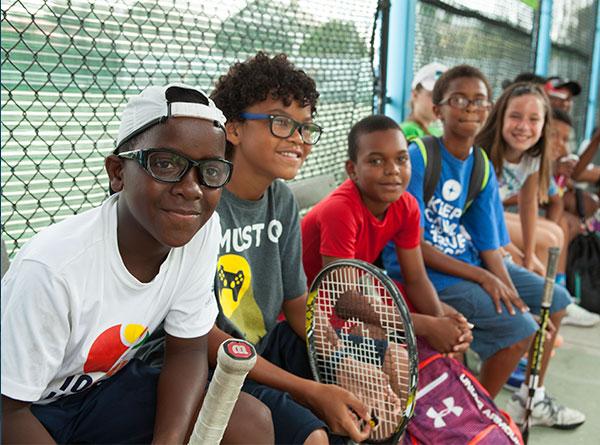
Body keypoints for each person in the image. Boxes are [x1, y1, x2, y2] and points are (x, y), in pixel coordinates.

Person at [1, 84, 273, 444]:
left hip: (105, 389)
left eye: (209, 171)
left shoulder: (201, 231)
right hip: (31, 409)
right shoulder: (53, 269)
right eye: (165, 164)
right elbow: (8, 411)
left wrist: (169, 440)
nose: (191, 188)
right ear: (117, 172)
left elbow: (188, 346)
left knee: (250, 422)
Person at [380, 65, 584, 429]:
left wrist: (504, 283)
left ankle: (529, 397)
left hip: (465, 261)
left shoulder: (481, 165)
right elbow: (412, 246)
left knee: (557, 299)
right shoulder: (420, 156)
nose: (470, 108)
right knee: (521, 329)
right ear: (439, 109)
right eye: (458, 99)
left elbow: (490, 246)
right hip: (427, 272)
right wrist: (483, 278)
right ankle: (473, 414)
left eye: (478, 101)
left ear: (488, 109)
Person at [209, 52, 375, 445]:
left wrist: (342, 360)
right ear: (233, 130)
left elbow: (297, 304)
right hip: (212, 364)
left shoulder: (281, 200)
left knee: (368, 384)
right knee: (313, 436)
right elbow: (198, 337)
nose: (298, 140)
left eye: (304, 128)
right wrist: (308, 389)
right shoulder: (203, 204)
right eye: (281, 123)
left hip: (263, 348)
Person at [301, 114, 472, 356]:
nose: (392, 170)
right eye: (376, 161)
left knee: (452, 317)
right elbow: (343, 300)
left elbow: (416, 280)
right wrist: (428, 326)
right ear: (352, 170)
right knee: (383, 338)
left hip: (352, 292)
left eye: (401, 159)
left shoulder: (407, 206)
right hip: (310, 304)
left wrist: (441, 322)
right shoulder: (340, 210)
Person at [475, 82, 560, 277]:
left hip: (492, 221)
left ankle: (550, 297)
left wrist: (529, 255)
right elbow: (477, 214)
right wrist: (504, 248)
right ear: (500, 117)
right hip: (473, 228)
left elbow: (528, 204)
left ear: (543, 124)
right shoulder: (481, 154)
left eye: (534, 119)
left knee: (536, 262)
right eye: (515, 116)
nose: (523, 127)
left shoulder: (532, 158)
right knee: (539, 248)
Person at [401, 62, 448, 141]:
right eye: (433, 95)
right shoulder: (407, 131)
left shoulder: (437, 132)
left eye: (443, 96)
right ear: (415, 95)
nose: (439, 102)